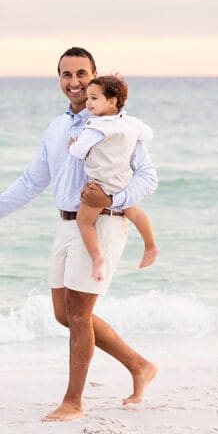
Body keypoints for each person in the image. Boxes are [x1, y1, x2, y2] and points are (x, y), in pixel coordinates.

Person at [0, 47, 158, 422]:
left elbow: (148, 178)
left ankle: (73, 402)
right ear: (59, 80)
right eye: (67, 75)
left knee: (80, 314)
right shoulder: (56, 129)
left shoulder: (120, 125)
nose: (74, 82)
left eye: (82, 74)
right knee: (64, 314)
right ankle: (139, 365)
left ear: (95, 76)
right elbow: (32, 181)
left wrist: (113, 198)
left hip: (103, 223)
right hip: (67, 223)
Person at [69, 75, 159, 281]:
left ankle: (97, 257)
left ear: (112, 101)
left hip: (99, 186)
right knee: (134, 212)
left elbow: (78, 152)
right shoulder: (131, 124)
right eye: (88, 98)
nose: (88, 103)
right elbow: (148, 135)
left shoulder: (95, 128)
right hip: (123, 182)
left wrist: (73, 144)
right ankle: (150, 245)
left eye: (94, 98)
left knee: (84, 221)